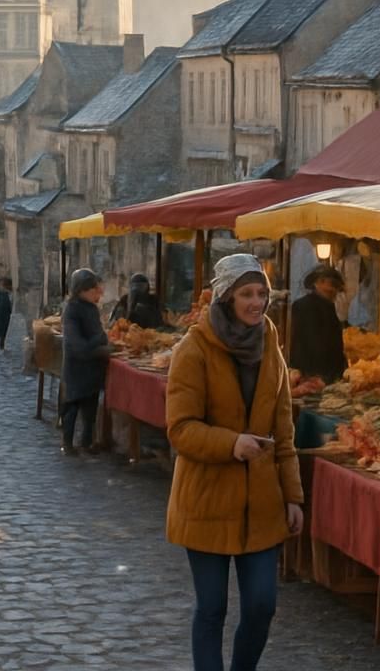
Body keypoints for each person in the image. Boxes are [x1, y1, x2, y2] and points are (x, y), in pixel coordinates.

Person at [166, 253, 302, 671]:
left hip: (261, 503)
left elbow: (284, 427)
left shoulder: (270, 343)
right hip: (206, 501)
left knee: (262, 606)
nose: (257, 302)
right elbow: (180, 428)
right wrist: (231, 444)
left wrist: (294, 496)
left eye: (262, 293)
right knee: (212, 609)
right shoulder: (193, 350)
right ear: (225, 297)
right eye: (247, 293)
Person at [61, 268, 112, 457]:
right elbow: (77, 345)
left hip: (92, 367)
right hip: (77, 366)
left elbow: (96, 332)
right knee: (72, 406)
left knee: (90, 408)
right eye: (94, 290)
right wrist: (100, 344)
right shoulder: (72, 310)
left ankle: (86, 442)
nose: (98, 294)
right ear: (82, 290)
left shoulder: (90, 308)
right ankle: (67, 443)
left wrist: (102, 342)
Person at [287, 264, 347, 384]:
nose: (333, 290)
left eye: (336, 287)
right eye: (331, 285)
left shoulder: (329, 307)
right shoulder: (303, 306)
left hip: (326, 375)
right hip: (310, 374)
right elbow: (310, 343)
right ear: (317, 283)